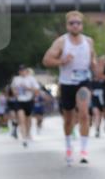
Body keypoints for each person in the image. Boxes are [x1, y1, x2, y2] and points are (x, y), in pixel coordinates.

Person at [42, 11, 98, 165]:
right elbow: (46, 60)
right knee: (68, 119)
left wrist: (94, 64)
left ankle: (84, 151)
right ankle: (68, 147)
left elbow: (93, 56)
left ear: (82, 25)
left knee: (84, 113)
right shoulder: (61, 42)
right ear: (67, 25)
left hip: (83, 82)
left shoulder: (89, 41)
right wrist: (62, 60)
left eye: (78, 23)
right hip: (67, 83)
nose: (75, 25)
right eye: (72, 23)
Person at [10, 65, 40, 148]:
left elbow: (37, 90)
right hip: (19, 101)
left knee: (28, 120)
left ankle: (28, 133)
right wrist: (15, 92)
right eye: (20, 70)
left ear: (26, 71)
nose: (22, 72)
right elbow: (12, 88)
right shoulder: (16, 79)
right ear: (19, 72)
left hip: (29, 101)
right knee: (21, 119)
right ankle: (24, 138)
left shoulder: (31, 79)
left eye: (23, 70)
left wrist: (28, 88)